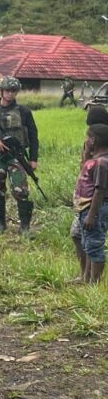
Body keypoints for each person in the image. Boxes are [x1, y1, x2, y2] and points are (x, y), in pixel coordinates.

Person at [0, 76, 39, 236]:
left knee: (21, 190)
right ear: (1, 91)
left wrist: (33, 158)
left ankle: (25, 227)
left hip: (16, 155)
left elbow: (33, 135)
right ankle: (0, 223)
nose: (11, 94)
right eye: (8, 90)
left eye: (14, 91)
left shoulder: (23, 111)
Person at [74, 107, 108, 284]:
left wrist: (92, 214)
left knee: (94, 244)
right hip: (87, 206)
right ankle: (85, 277)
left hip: (95, 207)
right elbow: (85, 170)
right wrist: (87, 153)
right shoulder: (95, 152)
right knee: (83, 238)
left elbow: (100, 189)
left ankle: (92, 283)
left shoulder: (102, 160)